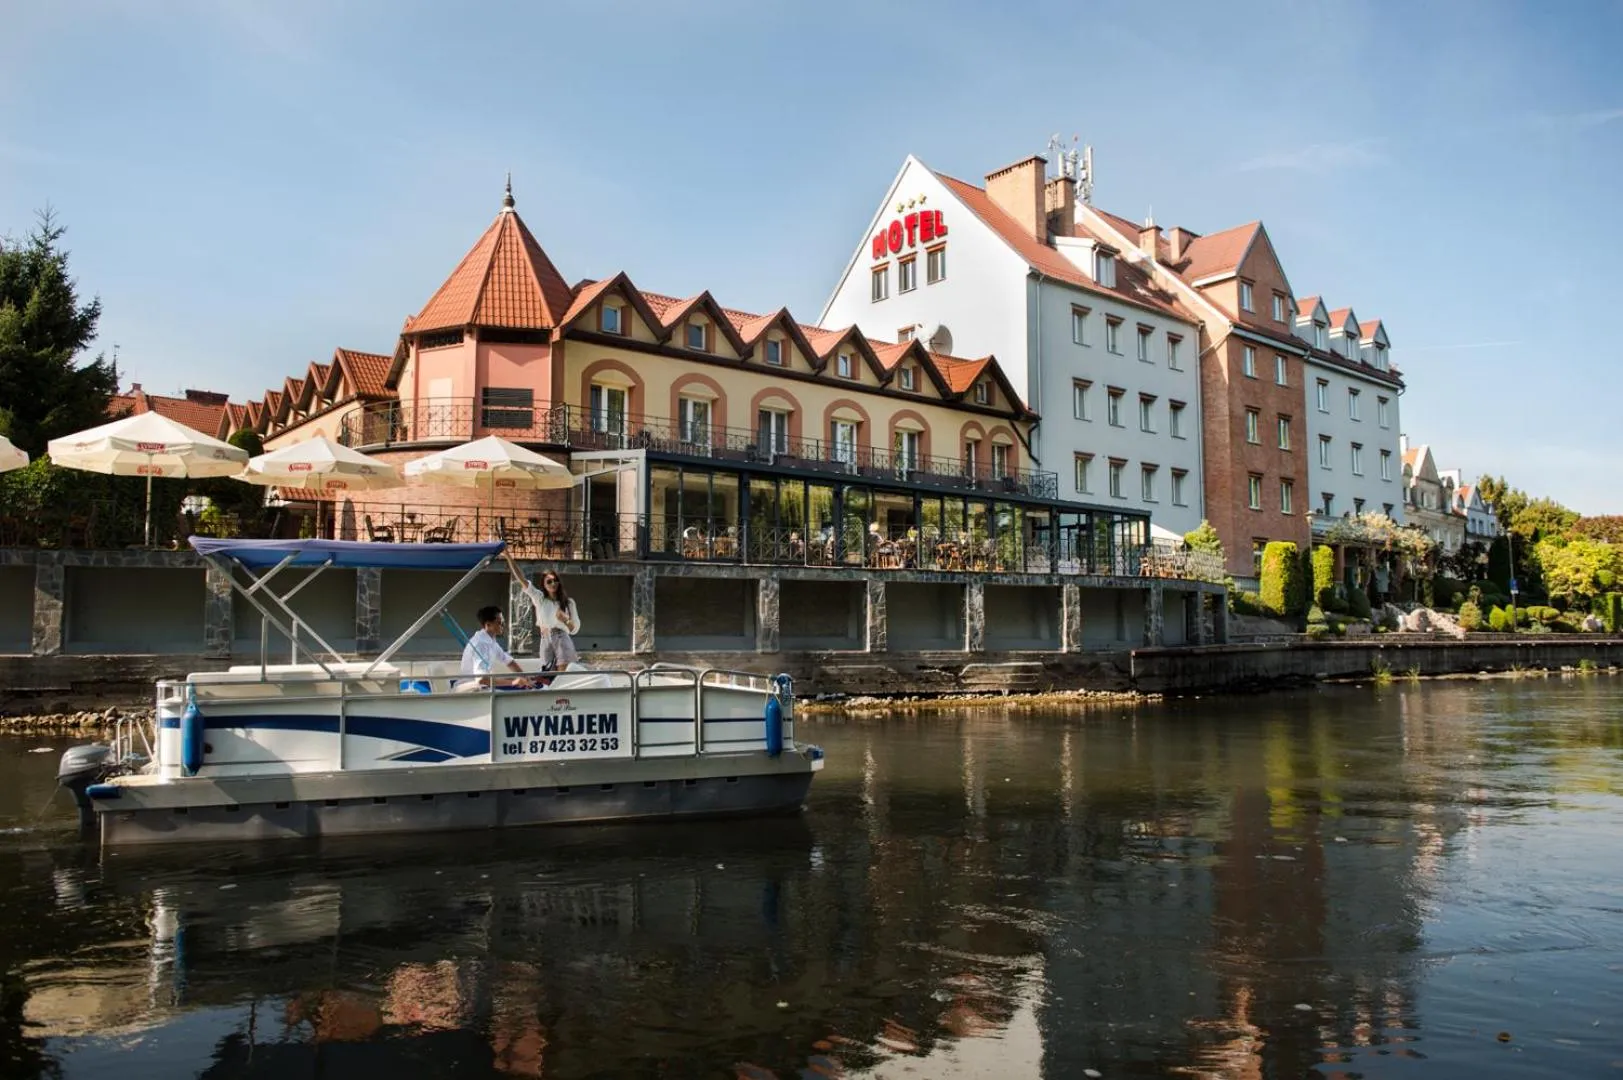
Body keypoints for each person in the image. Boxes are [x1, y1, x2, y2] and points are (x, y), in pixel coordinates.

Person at [503, 550, 580, 670]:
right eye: (549, 581)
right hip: (545, 639)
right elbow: (521, 579)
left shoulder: (569, 603)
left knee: (563, 675)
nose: (553, 583)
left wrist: (566, 620)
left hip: (561, 637)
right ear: (544, 585)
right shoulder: (540, 598)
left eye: (555, 580)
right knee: (547, 676)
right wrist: (508, 557)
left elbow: (575, 629)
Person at [460, 605, 534, 689]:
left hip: (481, 686)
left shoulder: (491, 641)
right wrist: (513, 682)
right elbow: (481, 679)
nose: (503, 625)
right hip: (471, 689)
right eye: (499, 623)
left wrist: (525, 677)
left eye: (502, 622)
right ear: (488, 624)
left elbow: (509, 661)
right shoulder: (480, 644)